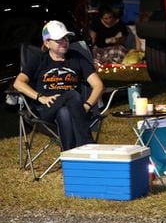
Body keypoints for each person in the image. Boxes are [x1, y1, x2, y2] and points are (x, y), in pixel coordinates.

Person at [12, 20, 104, 150]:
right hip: (47, 109)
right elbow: (18, 83)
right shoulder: (39, 59)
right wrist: (41, 98)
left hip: (75, 109)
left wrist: (87, 106)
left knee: (65, 111)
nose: (64, 42)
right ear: (47, 43)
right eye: (59, 40)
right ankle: (87, 144)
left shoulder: (76, 57)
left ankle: (68, 154)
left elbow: (98, 85)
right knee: (72, 94)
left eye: (66, 38)